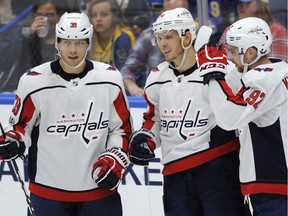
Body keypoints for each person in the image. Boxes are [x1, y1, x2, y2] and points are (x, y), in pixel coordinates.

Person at [0, 12, 133, 216]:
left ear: (88, 42)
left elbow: (122, 130)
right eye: (67, 42)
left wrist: (115, 156)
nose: (72, 50)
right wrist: (13, 142)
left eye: (79, 43)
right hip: (47, 195)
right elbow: (19, 127)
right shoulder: (33, 82)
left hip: (98, 193)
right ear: (57, 43)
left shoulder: (109, 79)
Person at [128, 7, 246, 216]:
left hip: (217, 167)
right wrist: (146, 139)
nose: (163, 44)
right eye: (159, 37)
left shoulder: (220, 68)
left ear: (187, 36)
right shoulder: (157, 77)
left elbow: (239, 112)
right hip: (175, 174)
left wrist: (217, 75)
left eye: (169, 37)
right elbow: (152, 118)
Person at [196, 17, 287, 215]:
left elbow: (229, 117)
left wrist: (214, 74)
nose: (229, 56)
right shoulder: (268, 73)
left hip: (275, 188)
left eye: (233, 51)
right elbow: (211, 97)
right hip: (271, 186)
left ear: (252, 53)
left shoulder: (264, 79)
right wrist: (214, 68)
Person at [121, 0, 190, 96]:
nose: (175, 21)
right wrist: (133, 88)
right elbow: (128, 69)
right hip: (156, 98)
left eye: (180, 16)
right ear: (161, 14)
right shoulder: (148, 36)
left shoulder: (199, 38)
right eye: (171, 15)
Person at [0, 0, 70, 93]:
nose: (45, 19)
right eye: (39, 15)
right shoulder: (24, 35)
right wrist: (27, 33)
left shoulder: (66, 42)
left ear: (58, 17)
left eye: (49, 15)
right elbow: (3, 59)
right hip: (21, 91)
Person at [218, 0, 288, 62]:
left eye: (247, 3)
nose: (241, 6)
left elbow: (277, 70)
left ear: (261, 5)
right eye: (238, 2)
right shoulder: (230, 30)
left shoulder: (277, 31)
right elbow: (219, 61)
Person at [87, 0, 136, 71]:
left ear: (114, 16)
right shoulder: (87, 39)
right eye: (94, 15)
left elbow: (135, 68)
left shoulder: (126, 37)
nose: (98, 19)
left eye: (104, 14)